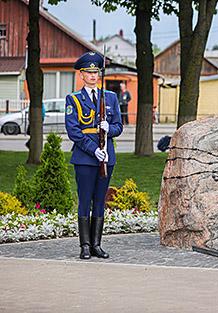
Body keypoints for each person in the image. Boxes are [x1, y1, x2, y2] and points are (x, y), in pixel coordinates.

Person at [65, 51, 123, 259]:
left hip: (106, 156)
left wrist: (110, 129)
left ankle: (97, 245)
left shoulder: (111, 97)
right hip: (84, 157)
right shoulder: (73, 99)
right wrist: (93, 149)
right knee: (85, 200)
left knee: (99, 201)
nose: (93, 76)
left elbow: (119, 126)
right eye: (88, 72)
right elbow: (73, 131)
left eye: (96, 72)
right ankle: (85, 246)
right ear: (81, 74)